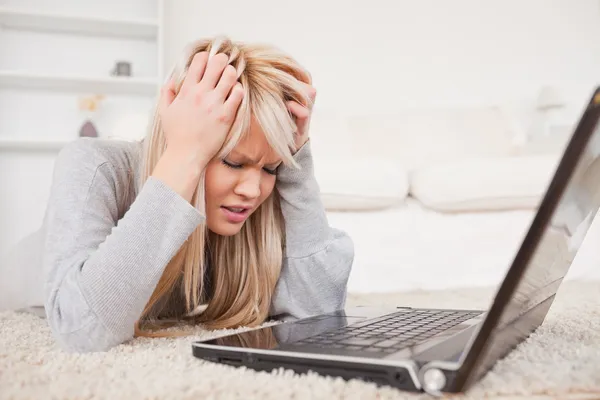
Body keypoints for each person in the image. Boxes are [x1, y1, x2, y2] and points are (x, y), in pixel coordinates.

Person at [3, 36, 354, 352]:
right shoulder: (96, 165)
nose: (252, 190)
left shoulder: (245, 210)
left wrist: (297, 161)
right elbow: (81, 328)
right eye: (233, 162)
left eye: (270, 168)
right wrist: (185, 153)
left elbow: (319, 313)